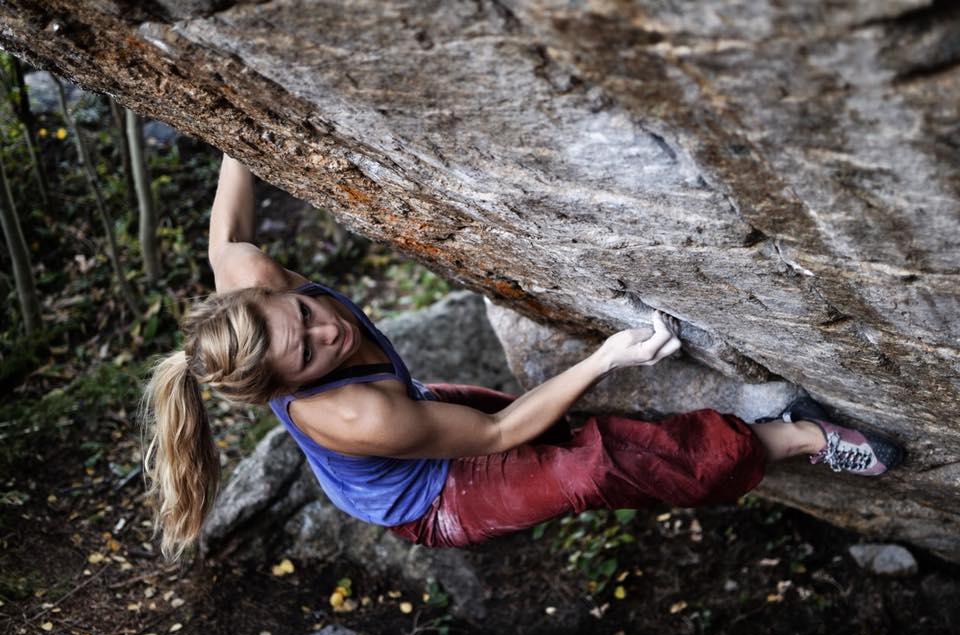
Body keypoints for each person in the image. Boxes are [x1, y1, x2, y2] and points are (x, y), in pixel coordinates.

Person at [140, 154, 905, 563]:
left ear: (267, 293)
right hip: (434, 500)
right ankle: (795, 437)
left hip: (421, 415)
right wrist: (606, 356)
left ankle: (736, 433)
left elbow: (223, 234)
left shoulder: (249, 281)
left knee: (564, 425)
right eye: (307, 353)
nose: (327, 333)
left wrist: (234, 138)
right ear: (286, 389)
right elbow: (496, 440)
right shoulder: (352, 410)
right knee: (591, 467)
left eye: (305, 313)